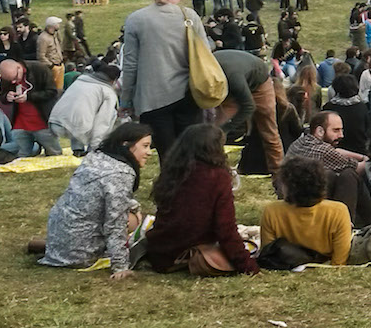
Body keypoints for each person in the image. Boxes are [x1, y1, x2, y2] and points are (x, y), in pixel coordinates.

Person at [37, 122, 154, 279]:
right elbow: (115, 222)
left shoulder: (96, 157)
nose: (149, 152)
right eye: (145, 146)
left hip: (59, 243)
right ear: (126, 145)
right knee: (135, 221)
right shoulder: (121, 173)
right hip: (81, 255)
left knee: (133, 215)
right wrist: (120, 266)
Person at [120, 0, 213, 158]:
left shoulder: (136, 19)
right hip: (188, 93)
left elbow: (130, 64)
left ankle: (170, 186)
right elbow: (206, 55)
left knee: (167, 154)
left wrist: (126, 99)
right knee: (189, 152)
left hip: (152, 98)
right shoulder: (189, 16)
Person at [145, 123, 258, 275]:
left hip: (159, 252)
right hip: (193, 252)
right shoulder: (217, 177)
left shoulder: (173, 171)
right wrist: (248, 265)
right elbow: (226, 229)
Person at [260, 156, 352, 265]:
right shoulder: (339, 211)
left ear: (287, 186)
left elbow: (267, 253)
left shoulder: (271, 211)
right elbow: (340, 261)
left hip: (286, 263)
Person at [284, 111, 371, 225]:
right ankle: (359, 222)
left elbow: (335, 152)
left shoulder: (301, 142)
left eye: (341, 130)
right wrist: (369, 160)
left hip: (290, 198)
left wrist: (361, 156)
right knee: (349, 175)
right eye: (336, 130)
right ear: (320, 131)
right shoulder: (324, 151)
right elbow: (357, 169)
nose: (341, 135)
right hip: (308, 204)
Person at [213, 48, 284, 169]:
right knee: (215, 133)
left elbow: (249, 106)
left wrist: (226, 128)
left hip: (259, 84)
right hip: (231, 83)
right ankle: (217, 170)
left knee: (269, 132)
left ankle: (279, 175)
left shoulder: (234, 77)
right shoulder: (203, 72)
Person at [49, 60, 120, 156]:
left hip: (55, 123)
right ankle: (93, 150)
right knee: (111, 114)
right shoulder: (107, 92)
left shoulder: (80, 81)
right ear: (114, 80)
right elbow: (103, 122)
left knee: (84, 113)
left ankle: (78, 149)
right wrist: (95, 148)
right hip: (77, 129)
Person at [0, 58, 63, 156]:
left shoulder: (39, 68)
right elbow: (2, 95)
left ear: (19, 68)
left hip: (42, 121)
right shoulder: (8, 76)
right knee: (21, 155)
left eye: (15, 78)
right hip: (20, 123)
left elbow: (52, 92)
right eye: (10, 80)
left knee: (54, 153)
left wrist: (29, 96)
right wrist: (6, 96)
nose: (13, 82)